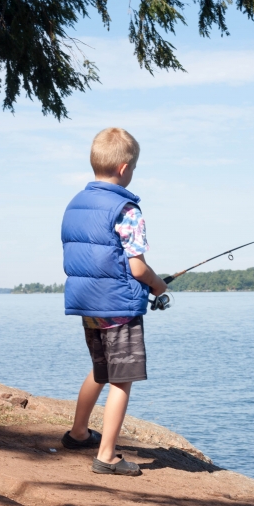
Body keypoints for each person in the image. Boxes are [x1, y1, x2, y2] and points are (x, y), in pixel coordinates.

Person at [60, 127, 167, 476]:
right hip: (119, 306)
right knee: (122, 379)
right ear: (123, 168)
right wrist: (158, 286)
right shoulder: (127, 209)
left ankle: (78, 433)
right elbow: (137, 267)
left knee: (101, 369)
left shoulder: (75, 204)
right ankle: (106, 456)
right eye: (133, 168)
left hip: (87, 303)